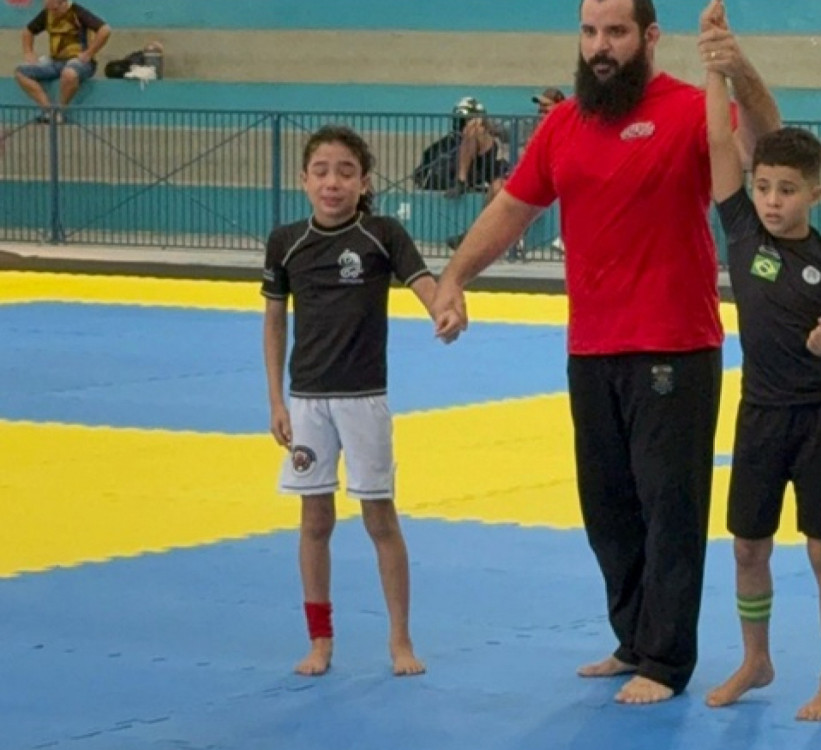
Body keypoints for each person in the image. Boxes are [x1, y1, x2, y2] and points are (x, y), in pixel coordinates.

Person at [430, 0, 780, 705]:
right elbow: (513, 207)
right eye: (590, 32)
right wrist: (455, 277)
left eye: (615, 32)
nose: (600, 46)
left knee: (668, 510)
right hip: (591, 348)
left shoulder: (688, 109)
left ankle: (667, 660)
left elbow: (768, 149)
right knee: (609, 511)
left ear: (648, 38)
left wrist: (736, 70)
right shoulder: (564, 124)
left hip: (674, 345)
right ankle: (633, 639)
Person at [700, 2, 821, 722]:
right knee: (747, 546)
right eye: (765, 187)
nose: (771, 201)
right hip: (759, 413)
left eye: (786, 190)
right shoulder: (741, 232)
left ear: (815, 192)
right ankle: (757, 656)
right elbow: (719, 141)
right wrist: (715, 61)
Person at [261, 125, 438, 678]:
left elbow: (425, 283)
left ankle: (400, 640)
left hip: (364, 400)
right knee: (314, 519)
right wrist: (276, 401)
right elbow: (273, 325)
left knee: (379, 518)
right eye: (321, 171)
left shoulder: (382, 233)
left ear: (364, 182)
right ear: (303, 180)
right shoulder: (285, 241)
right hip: (308, 401)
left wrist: (446, 311)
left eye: (345, 172)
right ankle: (320, 640)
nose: (332, 182)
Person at [446, 86, 568, 260]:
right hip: (508, 170)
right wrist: (483, 119)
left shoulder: (564, 130)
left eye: (545, 107)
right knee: (474, 128)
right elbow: (499, 130)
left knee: (499, 188)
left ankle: (475, 238)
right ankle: (461, 181)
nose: (540, 110)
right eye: (539, 107)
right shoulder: (528, 123)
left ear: (559, 106)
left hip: (539, 181)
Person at [14, 0, 111, 123]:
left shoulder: (77, 12)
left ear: (64, 4)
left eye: (55, 9)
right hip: (55, 62)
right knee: (21, 72)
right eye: (49, 9)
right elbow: (28, 32)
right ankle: (49, 110)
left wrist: (89, 53)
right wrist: (28, 52)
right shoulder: (47, 14)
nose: (52, 13)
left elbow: (105, 30)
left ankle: (61, 110)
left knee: (69, 73)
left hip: (79, 62)